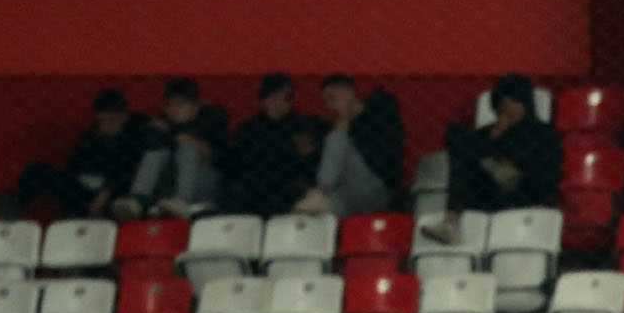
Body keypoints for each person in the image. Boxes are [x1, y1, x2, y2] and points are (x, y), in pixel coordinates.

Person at [0, 88, 149, 222]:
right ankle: (11, 207)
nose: (105, 127)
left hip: (120, 196)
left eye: (111, 121)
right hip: (85, 191)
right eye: (101, 121)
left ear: (124, 116)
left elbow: (136, 167)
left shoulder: (140, 130)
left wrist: (108, 190)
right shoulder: (92, 136)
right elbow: (75, 164)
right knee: (37, 171)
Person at [430, 75, 561, 240]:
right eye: (502, 103)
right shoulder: (489, 132)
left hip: (525, 189)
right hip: (489, 192)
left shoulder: (544, 132)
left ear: (525, 103)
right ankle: (450, 223)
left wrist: (511, 164)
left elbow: (548, 173)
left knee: (477, 154)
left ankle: (496, 167)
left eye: (513, 101)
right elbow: (459, 146)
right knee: (458, 136)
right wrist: (495, 136)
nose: (507, 108)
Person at [112, 78, 231, 220]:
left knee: (188, 149)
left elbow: (221, 160)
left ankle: (183, 200)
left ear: (195, 106)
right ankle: (138, 199)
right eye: (170, 105)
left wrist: (193, 142)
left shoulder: (211, 120)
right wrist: (168, 133)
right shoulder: (163, 124)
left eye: (180, 105)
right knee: (155, 153)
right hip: (169, 186)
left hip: (204, 183)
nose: (174, 110)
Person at [297, 74, 406, 218]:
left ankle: (319, 192)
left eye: (331, 98)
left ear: (349, 92)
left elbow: (384, 151)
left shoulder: (379, 109)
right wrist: (309, 155)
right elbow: (330, 168)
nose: (329, 105)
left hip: (378, 187)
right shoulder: (337, 127)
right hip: (347, 193)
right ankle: (318, 200)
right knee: (309, 213)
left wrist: (344, 116)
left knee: (336, 139)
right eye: (325, 101)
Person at [225, 74, 323, 219]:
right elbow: (234, 166)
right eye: (274, 98)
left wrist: (308, 154)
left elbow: (315, 165)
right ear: (263, 101)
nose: (279, 103)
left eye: (285, 98)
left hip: (290, 188)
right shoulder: (248, 130)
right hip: (255, 188)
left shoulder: (305, 126)